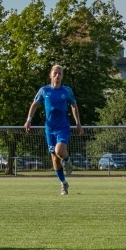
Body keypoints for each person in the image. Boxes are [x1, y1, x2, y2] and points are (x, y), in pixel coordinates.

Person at [24, 65, 83, 195]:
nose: (57, 75)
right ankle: (63, 183)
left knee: (60, 151)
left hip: (63, 127)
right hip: (49, 129)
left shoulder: (66, 91)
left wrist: (78, 123)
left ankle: (67, 160)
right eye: (55, 73)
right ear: (51, 75)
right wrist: (29, 119)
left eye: (60, 74)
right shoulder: (44, 90)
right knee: (55, 159)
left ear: (62, 76)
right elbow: (34, 104)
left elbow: (74, 106)